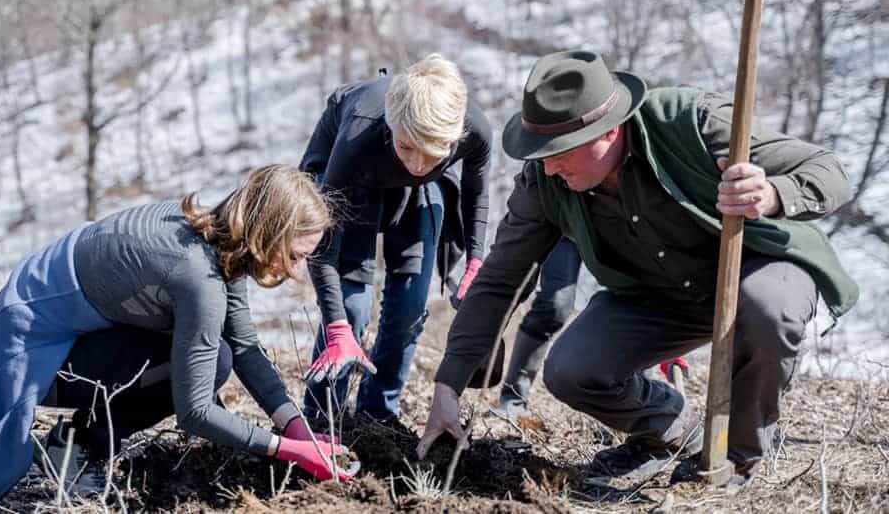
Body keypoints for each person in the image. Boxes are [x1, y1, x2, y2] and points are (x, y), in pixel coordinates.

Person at [417, 50, 857, 483]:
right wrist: (448, 386)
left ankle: (736, 457)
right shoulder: (543, 182)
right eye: (540, 152)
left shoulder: (695, 122)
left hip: (755, 267)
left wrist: (774, 194)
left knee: (767, 309)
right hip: (658, 297)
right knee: (572, 369)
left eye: (559, 151)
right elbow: (499, 280)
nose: (549, 166)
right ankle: (673, 430)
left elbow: (831, 170)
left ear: (606, 133)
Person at [0, 165, 354, 503]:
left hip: (66, 330)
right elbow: (196, 412)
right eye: (296, 255)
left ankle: (75, 442)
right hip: (27, 356)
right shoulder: (196, 276)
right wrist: (285, 450)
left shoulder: (218, 234)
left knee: (219, 353)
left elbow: (244, 344)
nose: (297, 270)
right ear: (268, 233)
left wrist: (297, 428)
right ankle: (76, 449)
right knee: (210, 364)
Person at [300, 54, 492, 422]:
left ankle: (379, 415)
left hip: (421, 195)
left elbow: (476, 194)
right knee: (351, 308)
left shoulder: (474, 129)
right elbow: (320, 248)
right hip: (355, 184)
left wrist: (475, 258)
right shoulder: (359, 130)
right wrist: (337, 324)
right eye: (407, 147)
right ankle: (321, 421)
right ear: (392, 127)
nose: (418, 163)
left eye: (433, 152)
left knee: (410, 308)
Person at [493, 237, 582, 420]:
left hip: (623, 223)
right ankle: (513, 398)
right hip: (568, 226)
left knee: (634, 303)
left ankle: (633, 410)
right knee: (555, 304)